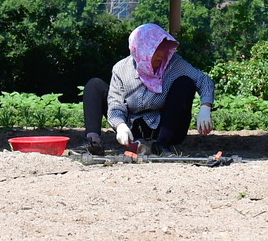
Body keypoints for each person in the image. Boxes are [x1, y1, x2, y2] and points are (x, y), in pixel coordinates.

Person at [82, 23, 215, 156]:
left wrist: (205, 107)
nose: (161, 54)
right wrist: (120, 125)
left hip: (165, 127)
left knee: (185, 82)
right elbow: (115, 103)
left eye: (163, 48)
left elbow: (203, 80)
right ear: (141, 49)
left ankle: (161, 146)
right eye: (155, 49)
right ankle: (94, 143)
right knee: (94, 85)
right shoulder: (121, 69)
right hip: (132, 128)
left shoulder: (174, 64)